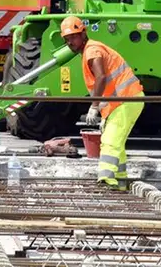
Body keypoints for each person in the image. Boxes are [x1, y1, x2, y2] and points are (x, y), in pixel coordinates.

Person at [60, 16, 144, 191]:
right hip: (123, 101)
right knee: (117, 144)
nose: (70, 42)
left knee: (110, 141)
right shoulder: (91, 50)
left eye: (73, 37)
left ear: (84, 33)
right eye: (67, 39)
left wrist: (94, 106)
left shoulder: (92, 51)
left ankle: (106, 179)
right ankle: (120, 182)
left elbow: (101, 77)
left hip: (125, 100)